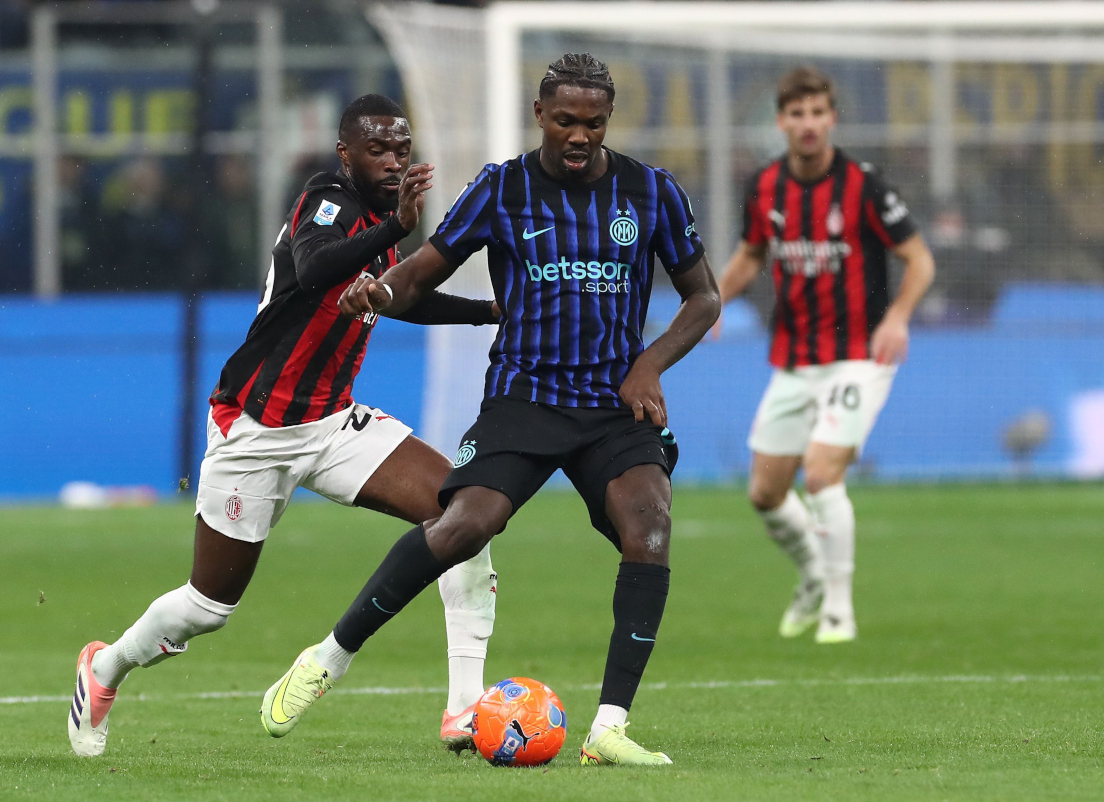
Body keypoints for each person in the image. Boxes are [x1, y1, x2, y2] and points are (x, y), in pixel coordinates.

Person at [257, 54, 720, 767]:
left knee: (649, 523)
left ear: (608, 122)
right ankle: (328, 658)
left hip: (608, 404)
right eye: (565, 120)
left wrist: (648, 365)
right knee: (464, 525)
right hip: (524, 396)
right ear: (540, 114)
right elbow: (421, 272)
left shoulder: (650, 192)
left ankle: (609, 727)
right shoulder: (502, 188)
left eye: (593, 123)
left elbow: (704, 296)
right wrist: (380, 293)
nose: (579, 135)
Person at [68, 94, 502, 757]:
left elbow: (397, 297)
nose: (392, 160)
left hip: (333, 424)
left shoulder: (385, 215)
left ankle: (466, 711)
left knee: (465, 514)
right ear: (345, 153)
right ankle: (104, 668)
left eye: (402, 149)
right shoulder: (325, 199)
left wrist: (489, 312)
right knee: (208, 608)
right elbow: (317, 263)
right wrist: (397, 230)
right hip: (257, 428)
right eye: (378, 149)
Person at [716, 67, 935, 643]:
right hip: (794, 358)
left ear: (832, 118)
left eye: (818, 113)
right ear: (781, 121)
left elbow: (920, 260)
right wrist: (710, 304)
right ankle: (813, 576)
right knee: (765, 492)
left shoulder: (865, 184)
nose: (808, 125)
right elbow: (749, 256)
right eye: (797, 114)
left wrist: (897, 318)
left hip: (859, 355)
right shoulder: (765, 187)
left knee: (821, 473)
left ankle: (839, 610)